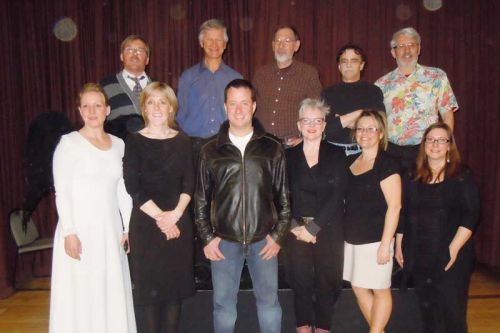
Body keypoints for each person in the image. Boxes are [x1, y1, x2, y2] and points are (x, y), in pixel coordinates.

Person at [195, 79, 290, 333]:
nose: (239, 109)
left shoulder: (272, 147)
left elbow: (284, 197)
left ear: (254, 106)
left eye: (244, 103)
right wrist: (207, 238)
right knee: (224, 307)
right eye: (233, 103)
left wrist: (278, 236)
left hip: (264, 241)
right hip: (224, 242)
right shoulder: (209, 149)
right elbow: (201, 199)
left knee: (269, 303)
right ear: (225, 107)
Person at [49, 83, 136, 333]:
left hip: (109, 232)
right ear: (79, 110)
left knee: (109, 291)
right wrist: (69, 232)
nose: (92, 110)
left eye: (97, 105)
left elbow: (123, 190)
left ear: (107, 109)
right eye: (86, 106)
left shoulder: (119, 144)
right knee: (82, 294)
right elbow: (61, 191)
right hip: (79, 232)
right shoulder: (68, 144)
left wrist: (128, 227)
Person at [123, 82, 195, 332]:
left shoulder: (184, 141)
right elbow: (133, 187)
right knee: (150, 297)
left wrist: (174, 216)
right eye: (151, 102)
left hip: (178, 221)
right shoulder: (133, 142)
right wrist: (163, 219)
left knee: (174, 292)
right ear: (143, 107)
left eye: (162, 102)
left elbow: (189, 183)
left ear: (171, 108)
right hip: (146, 226)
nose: (156, 107)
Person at [395, 123, 480, 333]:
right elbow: (404, 213)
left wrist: (453, 249)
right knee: (427, 311)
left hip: (452, 255)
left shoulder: (462, 175)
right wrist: (399, 246)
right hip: (420, 253)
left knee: (452, 312)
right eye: (430, 139)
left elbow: (472, 215)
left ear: (450, 146)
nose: (435, 144)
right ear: (423, 144)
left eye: (442, 140)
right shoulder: (412, 175)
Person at [285, 98, 347, 333]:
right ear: (299, 125)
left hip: (328, 229)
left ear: (324, 125)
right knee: (300, 283)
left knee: (326, 284)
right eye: (306, 120)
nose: (312, 125)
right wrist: (294, 227)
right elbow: (279, 196)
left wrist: (313, 228)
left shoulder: (337, 155)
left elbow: (338, 195)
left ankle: (322, 328)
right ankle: (302, 328)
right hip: (295, 231)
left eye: (317, 120)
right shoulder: (287, 156)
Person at [343, 110, 401, 333]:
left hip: (376, 239)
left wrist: (386, 244)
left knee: (380, 289)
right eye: (360, 128)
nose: (364, 133)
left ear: (380, 133)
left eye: (370, 128)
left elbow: (395, 206)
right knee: (358, 286)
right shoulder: (351, 162)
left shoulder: (387, 163)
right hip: (353, 237)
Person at [375, 27, 458, 172]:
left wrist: (446, 146)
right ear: (393, 52)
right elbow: (377, 121)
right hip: (391, 151)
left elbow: (447, 114)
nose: (407, 51)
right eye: (401, 46)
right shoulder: (381, 84)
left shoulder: (437, 77)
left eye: (411, 45)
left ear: (419, 49)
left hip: (426, 149)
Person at [253, 25, 322, 147]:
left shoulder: (308, 74)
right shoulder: (261, 74)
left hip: (293, 146)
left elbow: (318, 110)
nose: (281, 45)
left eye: (287, 41)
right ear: (273, 45)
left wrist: (304, 138)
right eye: (278, 41)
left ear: (296, 45)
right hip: (262, 145)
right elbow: (250, 107)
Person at [176, 19, 242, 144]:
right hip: (193, 145)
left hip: (226, 145)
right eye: (209, 39)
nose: (214, 44)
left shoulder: (236, 78)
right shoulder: (187, 77)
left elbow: (242, 115)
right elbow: (180, 114)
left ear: (225, 44)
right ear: (201, 43)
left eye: (218, 40)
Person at [321, 43, 385, 155]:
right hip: (332, 153)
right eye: (344, 61)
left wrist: (341, 120)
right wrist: (360, 114)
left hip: (363, 153)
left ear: (361, 65)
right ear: (339, 66)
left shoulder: (373, 91)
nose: (348, 65)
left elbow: (378, 126)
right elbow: (326, 128)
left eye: (354, 61)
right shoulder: (327, 93)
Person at [100, 35, 152, 139]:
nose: (134, 54)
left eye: (140, 51)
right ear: (121, 56)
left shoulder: (159, 88)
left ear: (147, 60)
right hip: (119, 150)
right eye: (129, 50)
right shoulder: (104, 86)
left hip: (153, 149)